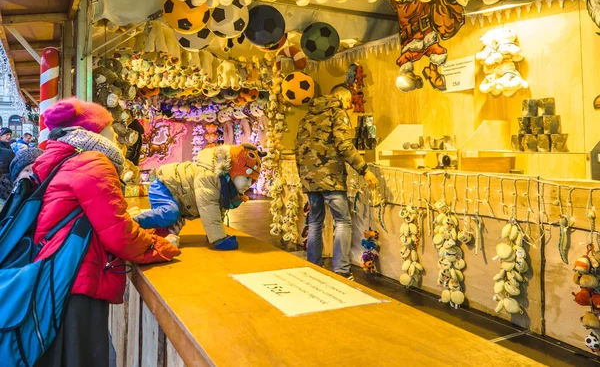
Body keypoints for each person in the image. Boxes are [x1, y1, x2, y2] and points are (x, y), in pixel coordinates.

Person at [32, 97, 180, 367]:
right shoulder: (92, 164)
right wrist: (165, 246)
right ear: (93, 131)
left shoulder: (65, 159)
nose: (115, 135)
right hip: (76, 281)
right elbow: (119, 234)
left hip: (58, 277)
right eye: (110, 127)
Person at [295, 84, 379, 280]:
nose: (350, 106)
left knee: (315, 222)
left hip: (310, 179)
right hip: (331, 177)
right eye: (349, 101)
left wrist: (304, 177)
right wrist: (364, 170)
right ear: (342, 98)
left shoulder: (307, 116)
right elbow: (344, 144)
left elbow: (298, 148)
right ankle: (341, 270)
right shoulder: (337, 113)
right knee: (342, 221)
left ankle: (313, 266)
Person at [133, 143, 264, 250]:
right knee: (170, 213)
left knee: (167, 228)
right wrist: (218, 239)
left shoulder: (226, 183)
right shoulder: (209, 176)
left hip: (177, 192)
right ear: (234, 171)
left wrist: (214, 233)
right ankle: (133, 223)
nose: (249, 184)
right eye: (246, 178)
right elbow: (209, 206)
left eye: (252, 181)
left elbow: (218, 210)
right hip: (165, 186)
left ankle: (143, 231)